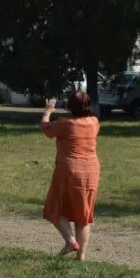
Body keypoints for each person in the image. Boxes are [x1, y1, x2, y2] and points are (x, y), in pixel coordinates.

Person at [41, 92, 100, 261]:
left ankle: (71, 242)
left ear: (70, 106)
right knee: (84, 214)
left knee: (55, 208)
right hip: (91, 170)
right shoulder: (95, 122)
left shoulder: (65, 123)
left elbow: (46, 129)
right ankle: (81, 255)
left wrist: (48, 111)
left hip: (69, 169)